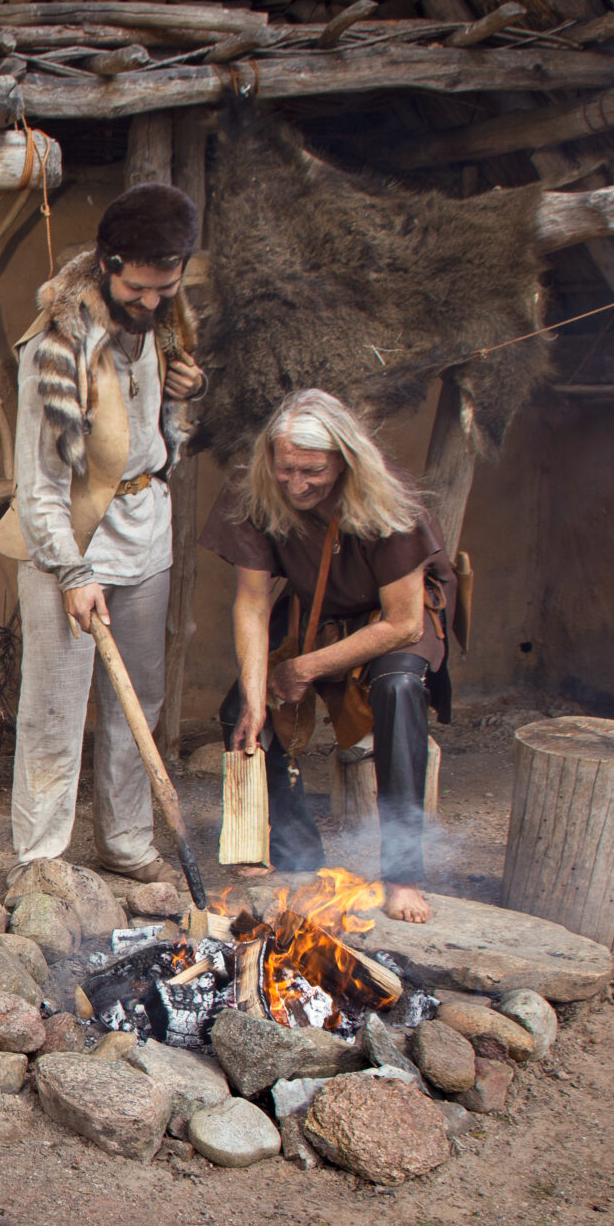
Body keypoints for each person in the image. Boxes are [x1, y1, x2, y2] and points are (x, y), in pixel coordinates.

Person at [0, 183, 207, 887]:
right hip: (70, 539)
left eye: (167, 287)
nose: (153, 302)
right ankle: (42, 860)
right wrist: (72, 571)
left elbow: (161, 436)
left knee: (137, 703)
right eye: (141, 288)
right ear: (110, 265)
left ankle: (125, 840)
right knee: (55, 706)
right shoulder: (55, 348)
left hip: (147, 531)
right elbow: (39, 487)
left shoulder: (170, 324)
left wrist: (186, 396)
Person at [205, 388, 458, 923]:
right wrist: (256, 696)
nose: (296, 484)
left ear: (343, 461)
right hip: (314, 610)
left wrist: (307, 667)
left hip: (387, 620)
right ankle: (297, 857)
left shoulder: (389, 501)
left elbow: (403, 622)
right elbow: (251, 603)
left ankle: (404, 874)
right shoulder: (256, 489)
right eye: (286, 469)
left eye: (312, 472)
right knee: (242, 713)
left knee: (398, 691)